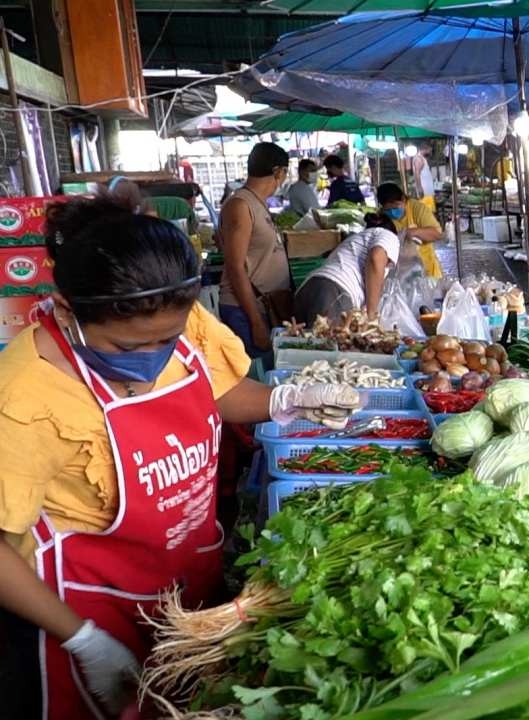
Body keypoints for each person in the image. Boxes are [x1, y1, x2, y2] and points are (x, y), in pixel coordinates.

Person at [0, 197, 360, 719]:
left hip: (186, 588)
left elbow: (219, 389)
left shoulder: (177, 316)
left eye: (167, 341)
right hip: (86, 611)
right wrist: (83, 640)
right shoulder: (23, 399)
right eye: (127, 349)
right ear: (65, 311)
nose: (151, 359)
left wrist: (286, 400)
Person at [218, 142, 292, 361]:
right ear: (278, 172)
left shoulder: (257, 203)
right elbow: (235, 266)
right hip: (246, 310)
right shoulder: (241, 205)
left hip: (265, 307)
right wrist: (256, 322)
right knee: (260, 371)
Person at [294, 212, 408, 323]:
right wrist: (371, 314)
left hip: (307, 288)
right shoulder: (389, 236)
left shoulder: (354, 239)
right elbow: (376, 258)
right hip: (334, 292)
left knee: (305, 336)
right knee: (330, 336)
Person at [377, 182, 444, 280]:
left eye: (395, 207)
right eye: (388, 210)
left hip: (427, 268)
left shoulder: (417, 208)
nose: (392, 212)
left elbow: (436, 234)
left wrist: (413, 232)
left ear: (403, 199)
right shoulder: (382, 217)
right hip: (400, 273)